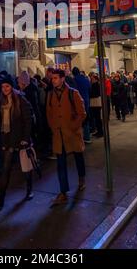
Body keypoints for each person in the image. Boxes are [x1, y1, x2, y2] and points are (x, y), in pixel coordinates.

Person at [0, 76, 33, 208]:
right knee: (5, 168)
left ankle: (29, 190)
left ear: (12, 87)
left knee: (25, 166)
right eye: (3, 87)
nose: (4, 89)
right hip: (9, 139)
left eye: (7, 86)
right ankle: (0, 198)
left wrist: (25, 138)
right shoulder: (2, 100)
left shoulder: (20, 100)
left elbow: (28, 120)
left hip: (21, 138)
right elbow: (3, 123)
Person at [46, 69, 86, 205]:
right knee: (60, 163)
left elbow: (82, 113)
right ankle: (63, 192)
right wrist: (53, 126)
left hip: (72, 133)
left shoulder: (72, 93)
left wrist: (74, 126)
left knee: (78, 157)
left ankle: (81, 179)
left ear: (63, 79)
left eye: (56, 78)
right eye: (52, 78)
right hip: (58, 134)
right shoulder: (50, 95)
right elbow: (49, 113)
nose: (53, 80)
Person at [72, 67, 91, 143]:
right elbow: (90, 89)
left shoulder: (74, 80)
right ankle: (87, 137)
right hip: (86, 100)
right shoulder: (86, 80)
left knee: (78, 120)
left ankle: (79, 139)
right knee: (86, 119)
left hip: (78, 102)